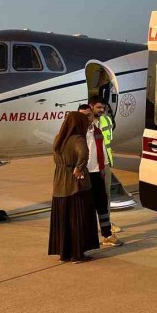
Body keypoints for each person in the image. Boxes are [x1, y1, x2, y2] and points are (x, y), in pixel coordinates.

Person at [49, 111, 100, 262]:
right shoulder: (78, 139)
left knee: (63, 221)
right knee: (78, 220)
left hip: (59, 184)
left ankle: (64, 253)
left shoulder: (59, 138)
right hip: (75, 186)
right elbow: (84, 154)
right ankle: (78, 253)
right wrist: (78, 168)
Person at [86, 99, 124, 246]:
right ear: (91, 107)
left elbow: (107, 140)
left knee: (105, 196)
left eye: (104, 107)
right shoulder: (86, 123)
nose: (101, 110)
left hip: (104, 163)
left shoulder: (107, 120)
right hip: (89, 165)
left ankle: (106, 224)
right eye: (98, 107)